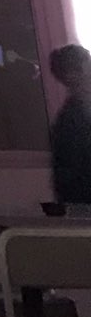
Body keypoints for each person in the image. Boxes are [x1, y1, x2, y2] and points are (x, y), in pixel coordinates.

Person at [48, 44, 91, 206]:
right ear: (73, 74)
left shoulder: (74, 116)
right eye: (89, 65)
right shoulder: (70, 122)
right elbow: (71, 179)